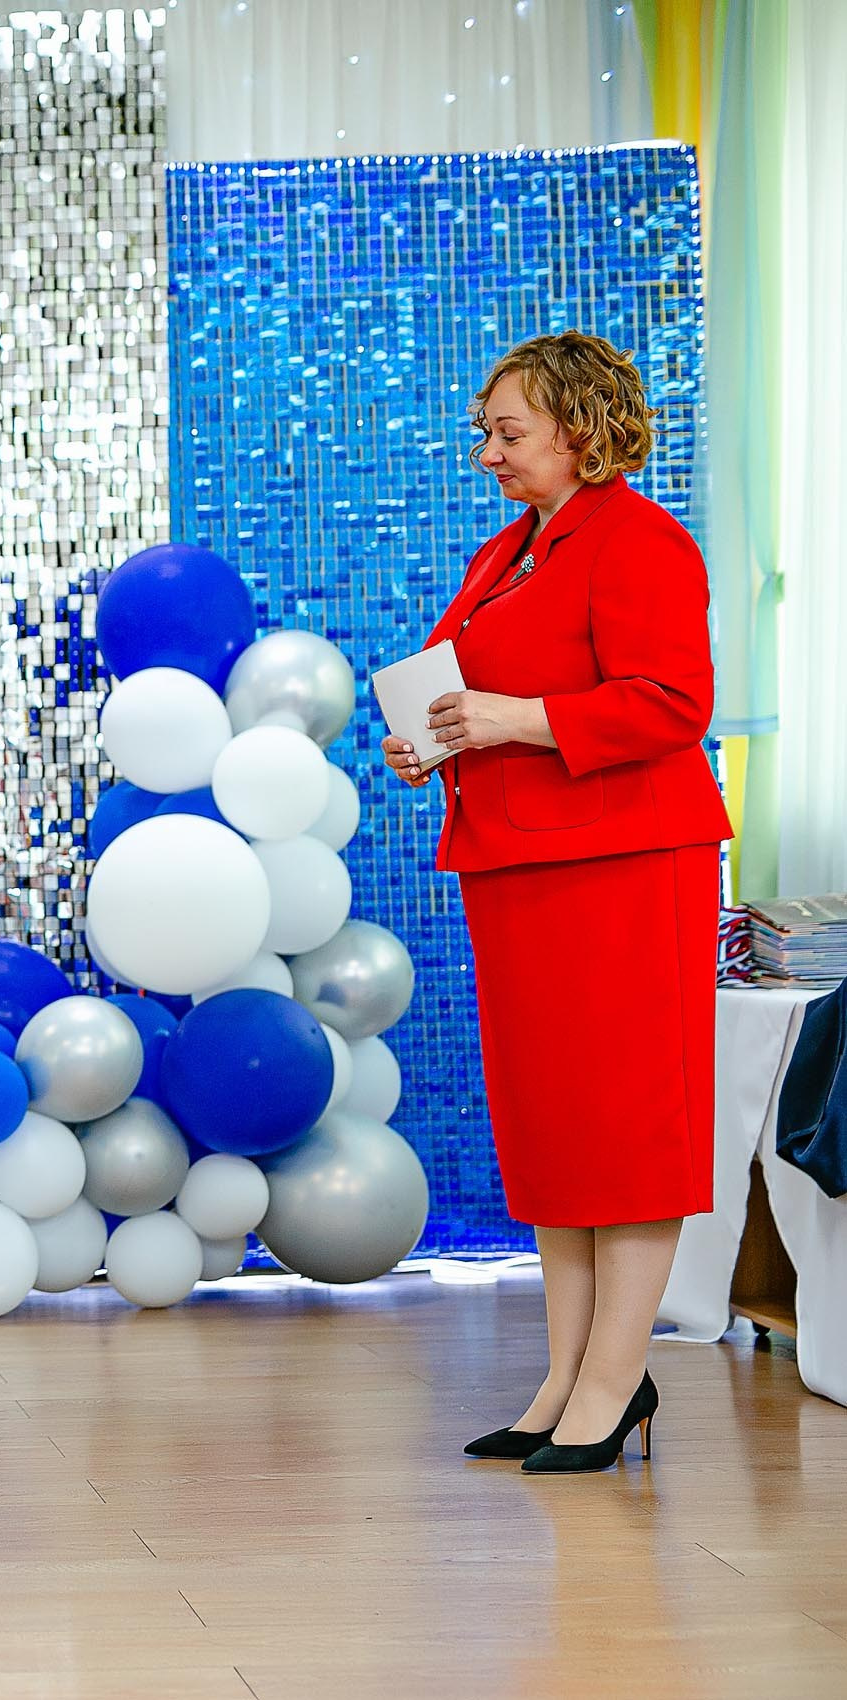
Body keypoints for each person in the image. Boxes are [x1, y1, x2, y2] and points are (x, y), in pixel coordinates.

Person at [383, 333, 730, 1474]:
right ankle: (565, 1378)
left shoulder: (641, 539)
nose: (487, 453)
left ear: (581, 430)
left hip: (624, 866)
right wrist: (433, 738)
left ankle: (615, 1378)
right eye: (483, 432)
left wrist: (511, 719)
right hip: (522, 861)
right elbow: (473, 683)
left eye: (509, 432)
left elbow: (673, 701)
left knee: (625, 1124)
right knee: (557, 1125)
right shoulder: (512, 549)